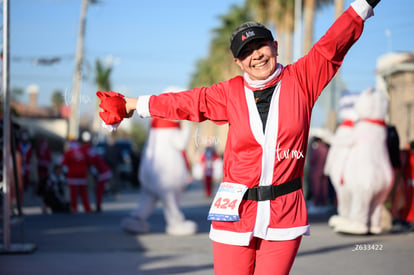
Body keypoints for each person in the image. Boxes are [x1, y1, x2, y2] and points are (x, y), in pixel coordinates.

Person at [98, 0, 381, 274]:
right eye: (246, 51)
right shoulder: (229, 93)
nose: (256, 54)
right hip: (234, 212)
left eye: (260, 45)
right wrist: (132, 104)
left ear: (275, 47)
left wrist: (364, 5)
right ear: (238, 62)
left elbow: (332, 44)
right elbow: (186, 102)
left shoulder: (302, 80)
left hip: (284, 213)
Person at [121, 116, 197, 236]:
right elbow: (181, 143)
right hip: (167, 176)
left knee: (147, 199)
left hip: (150, 174)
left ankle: (136, 219)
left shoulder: (152, 137)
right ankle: (175, 223)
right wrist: (186, 126)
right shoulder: (172, 131)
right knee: (170, 201)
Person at [61, 139, 92, 213]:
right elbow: (89, 161)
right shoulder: (83, 151)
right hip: (82, 174)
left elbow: (64, 164)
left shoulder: (69, 153)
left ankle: (74, 208)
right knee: (83, 192)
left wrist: (65, 173)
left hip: (72, 175)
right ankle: (87, 208)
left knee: (73, 193)